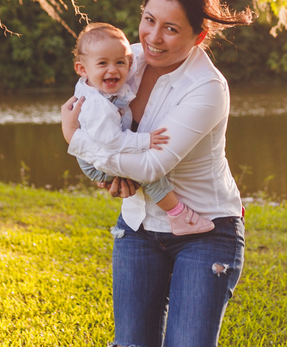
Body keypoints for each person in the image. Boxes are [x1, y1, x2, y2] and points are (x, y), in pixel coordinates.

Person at [61, 0, 253, 347]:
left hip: (206, 227)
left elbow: (150, 164)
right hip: (139, 225)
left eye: (171, 28)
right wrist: (103, 167)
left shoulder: (207, 88)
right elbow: (83, 100)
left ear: (199, 35)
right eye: (149, 19)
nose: (153, 37)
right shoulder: (127, 57)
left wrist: (76, 142)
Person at [69, 22, 214, 235]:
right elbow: (112, 141)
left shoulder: (100, 78)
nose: (113, 69)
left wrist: (72, 135)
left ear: (129, 62)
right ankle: (178, 215)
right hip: (96, 156)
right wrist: (145, 140)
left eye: (120, 62)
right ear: (82, 69)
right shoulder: (96, 104)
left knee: (140, 170)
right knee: (151, 177)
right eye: (102, 63)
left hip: (99, 148)